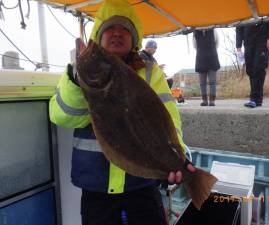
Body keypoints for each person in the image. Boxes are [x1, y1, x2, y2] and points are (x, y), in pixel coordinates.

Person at [49, 0, 194, 225]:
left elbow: (168, 119)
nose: (117, 33)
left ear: (134, 38)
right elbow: (62, 115)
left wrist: (179, 157)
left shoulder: (149, 72)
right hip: (96, 186)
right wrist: (78, 81)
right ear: (98, 35)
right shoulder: (76, 75)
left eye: (125, 29)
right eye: (110, 28)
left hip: (141, 184)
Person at [236, 21, 269, 108]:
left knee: (258, 68)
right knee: (250, 70)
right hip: (248, 40)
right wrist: (238, 46)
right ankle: (257, 99)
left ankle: (254, 99)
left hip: (262, 39)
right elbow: (239, 25)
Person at [193, 29, 220, 106]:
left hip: (212, 58)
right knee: (202, 83)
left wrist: (210, 50)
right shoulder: (195, 33)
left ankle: (212, 101)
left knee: (212, 82)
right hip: (201, 59)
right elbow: (195, 45)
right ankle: (204, 100)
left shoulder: (214, 31)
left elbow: (217, 43)